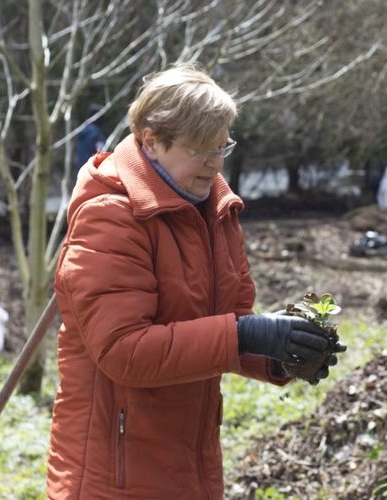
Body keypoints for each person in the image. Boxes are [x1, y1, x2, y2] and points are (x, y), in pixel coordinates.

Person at [46, 64, 344, 498]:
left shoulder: (214, 207)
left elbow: (225, 327)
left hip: (190, 457)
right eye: (201, 149)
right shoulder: (109, 215)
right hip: (114, 469)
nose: (215, 163)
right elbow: (124, 351)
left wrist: (279, 353)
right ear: (151, 141)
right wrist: (245, 333)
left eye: (222, 146)